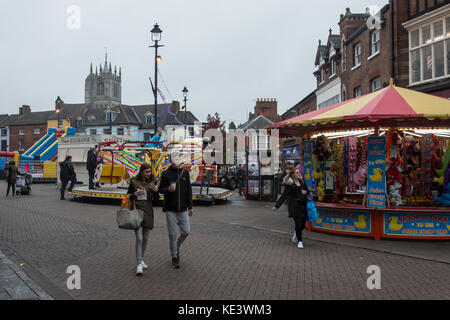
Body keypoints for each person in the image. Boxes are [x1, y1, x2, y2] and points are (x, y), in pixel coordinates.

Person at [159, 151, 193, 269]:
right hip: (170, 209)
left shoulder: (185, 173)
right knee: (172, 234)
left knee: (186, 231)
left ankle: (176, 246)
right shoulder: (165, 174)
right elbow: (160, 190)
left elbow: (189, 189)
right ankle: (174, 256)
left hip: (183, 208)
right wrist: (167, 189)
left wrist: (191, 206)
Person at [127, 163, 159, 276]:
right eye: (146, 172)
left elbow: (157, 201)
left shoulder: (153, 182)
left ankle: (141, 259)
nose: (148, 174)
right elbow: (128, 196)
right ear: (141, 172)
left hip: (148, 212)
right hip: (137, 211)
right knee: (139, 238)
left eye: (149, 171)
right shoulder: (134, 182)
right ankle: (139, 263)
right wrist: (134, 194)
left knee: (145, 238)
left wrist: (155, 191)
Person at [272, 168, 309, 249]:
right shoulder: (289, 184)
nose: (298, 174)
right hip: (294, 206)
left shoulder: (302, 181)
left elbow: (307, 191)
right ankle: (300, 241)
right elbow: (284, 196)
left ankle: (296, 232)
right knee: (298, 223)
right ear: (292, 175)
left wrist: (305, 192)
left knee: (303, 224)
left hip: (303, 205)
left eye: (299, 172)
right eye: (296, 173)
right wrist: (276, 206)